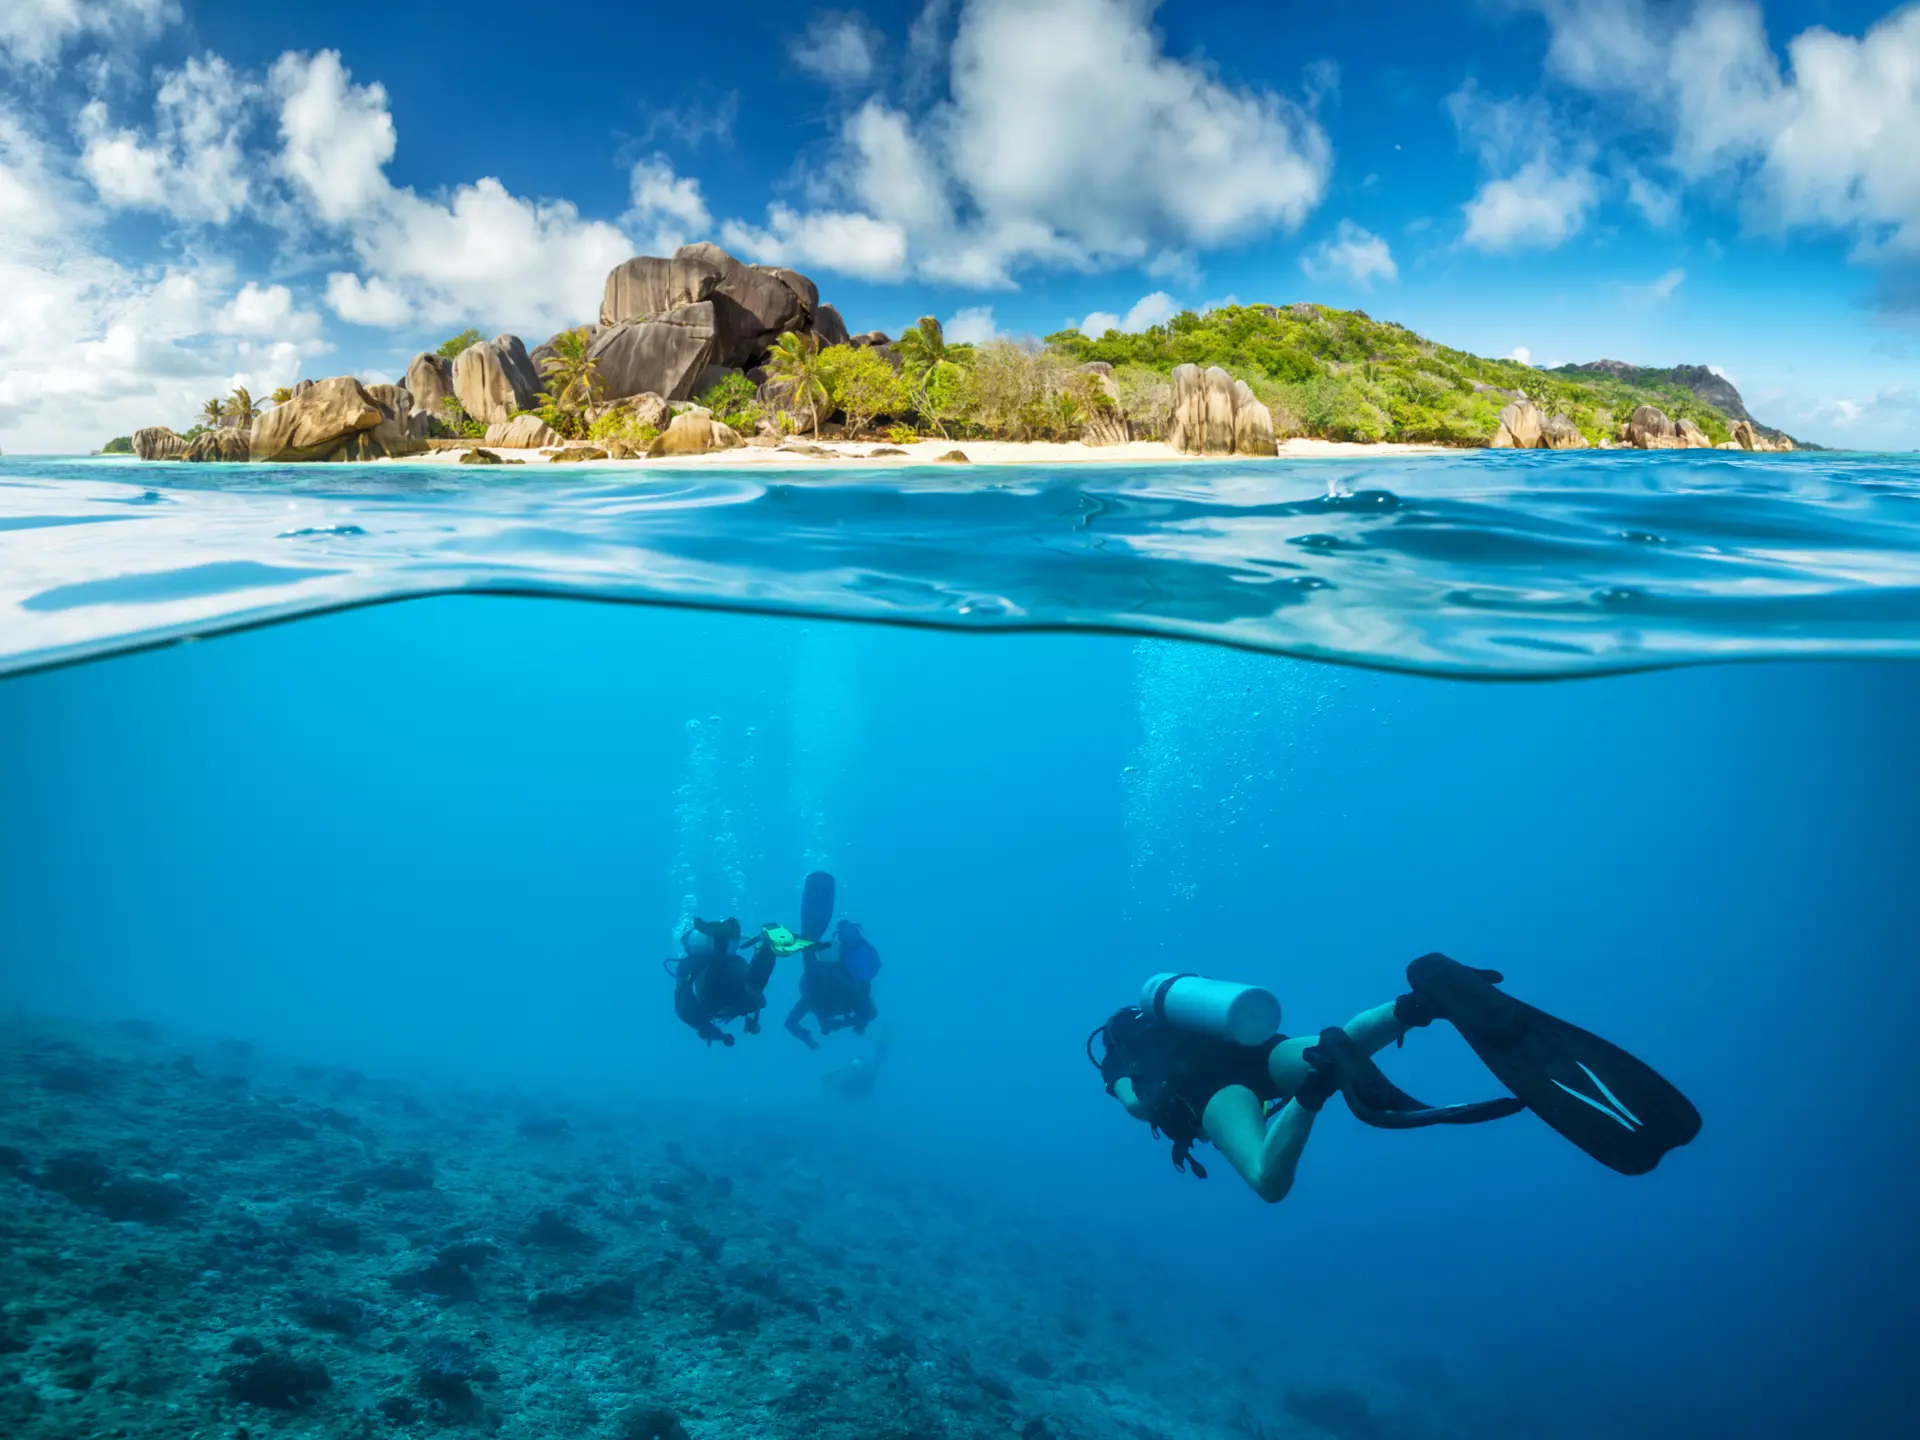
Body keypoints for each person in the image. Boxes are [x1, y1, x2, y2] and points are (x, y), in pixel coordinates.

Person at [1089, 955, 1701, 1202]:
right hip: (1258, 1048)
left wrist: (1141, 1093)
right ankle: (1414, 1006)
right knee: (1333, 1044)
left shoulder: (1119, 1056)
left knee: (1268, 1180)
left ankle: (1314, 1090)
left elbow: (1139, 1109)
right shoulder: (1186, 1010)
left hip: (1213, 1092)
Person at [668, 918, 776, 1047]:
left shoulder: (687, 966)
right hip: (740, 984)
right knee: (751, 987)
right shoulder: (732, 959)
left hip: (727, 996)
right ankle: (767, 948)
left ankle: (765, 949)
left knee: (721, 991)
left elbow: (684, 1007)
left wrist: (713, 1032)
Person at [824, 1023, 894, 1098]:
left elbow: (853, 1064)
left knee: (870, 1058)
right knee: (876, 1059)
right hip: (865, 1082)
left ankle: (882, 1035)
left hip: (862, 1077)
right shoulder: (846, 1090)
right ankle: (883, 1036)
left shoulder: (843, 1074)